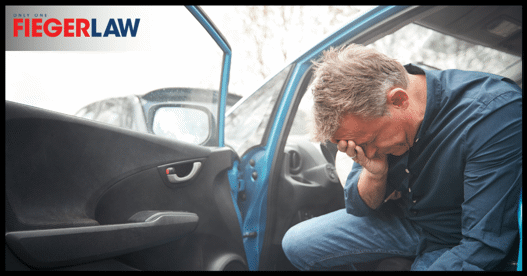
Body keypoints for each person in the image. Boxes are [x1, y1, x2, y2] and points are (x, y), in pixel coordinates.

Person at [281, 44, 522, 270]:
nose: (369, 151)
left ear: (399, 100)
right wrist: (375, 174)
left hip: (452, 236)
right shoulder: (369, 114)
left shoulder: (492, 114)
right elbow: (359, 207)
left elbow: (483, 244)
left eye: (370, 141)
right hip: (406, 220)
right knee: (296, 243)